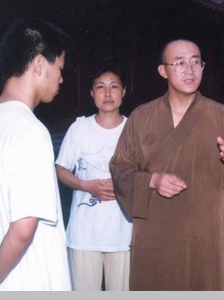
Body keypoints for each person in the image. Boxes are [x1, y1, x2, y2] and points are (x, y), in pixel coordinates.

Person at [109, 39, 224, 290]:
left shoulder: (223, 116)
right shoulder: (141, 117)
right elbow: (119, 168)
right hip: (153, 234)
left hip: (202, 236)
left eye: (196, 62)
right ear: (163, 71)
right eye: (179, 63)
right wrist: (152, 180)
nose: (190, 70)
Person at [0, 17, 72, 290]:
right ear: (39, 64)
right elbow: (24, 228)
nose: (61, 78)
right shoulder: (29, 130)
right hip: (26, 281)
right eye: (59, 68)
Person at [55, 66, 133, 291]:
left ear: (123, 91)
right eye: (100, 87)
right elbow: (60, 168)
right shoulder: (79, 128)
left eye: (114, 86)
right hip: (84, 235)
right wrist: (85, 185)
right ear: (91, 93)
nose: (107, 93)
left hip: (123, 234)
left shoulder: (134, 128)